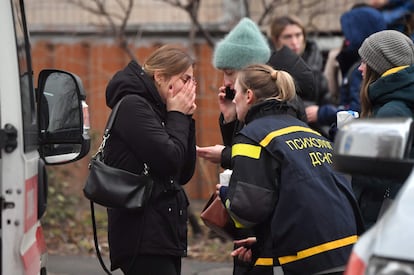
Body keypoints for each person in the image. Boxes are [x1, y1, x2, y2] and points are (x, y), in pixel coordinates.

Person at [220, 63, 364, 275]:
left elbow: (247, 211)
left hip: (304, 257)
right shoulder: (309, 132)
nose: (234, 99)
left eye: (237, 93)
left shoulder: (252, 136)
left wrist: (225, 193)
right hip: (347, 251)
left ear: (248, 95)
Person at [104, 45, 197, 275]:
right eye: (185, 79)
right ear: (160, 77)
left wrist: (184, 117)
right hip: (142, 236)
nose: (190, 88)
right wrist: (177, 115)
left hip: (163, 234)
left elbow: (183, 172)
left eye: (193, 81)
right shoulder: (133, 107)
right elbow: (169, 161)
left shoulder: (161, 109)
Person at [353, 29, 414, 229]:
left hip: (385, 218)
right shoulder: (399, 101)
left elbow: (378, 175)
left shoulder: (392, 110)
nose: (360, 69)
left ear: (379, 66)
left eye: (364, 62)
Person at [306, 6, 386, 138]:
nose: (345, 38)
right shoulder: (355, 62)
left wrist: (322, 114)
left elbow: (358, 111)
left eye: (348, 32)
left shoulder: (362, 70)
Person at [269, 15, 330, 106]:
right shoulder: (268, 68)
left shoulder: (315, 63)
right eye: (287, 37)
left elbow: (328, 100)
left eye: (298, 35)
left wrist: (320, 112)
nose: (294, 42)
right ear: (276, 40)